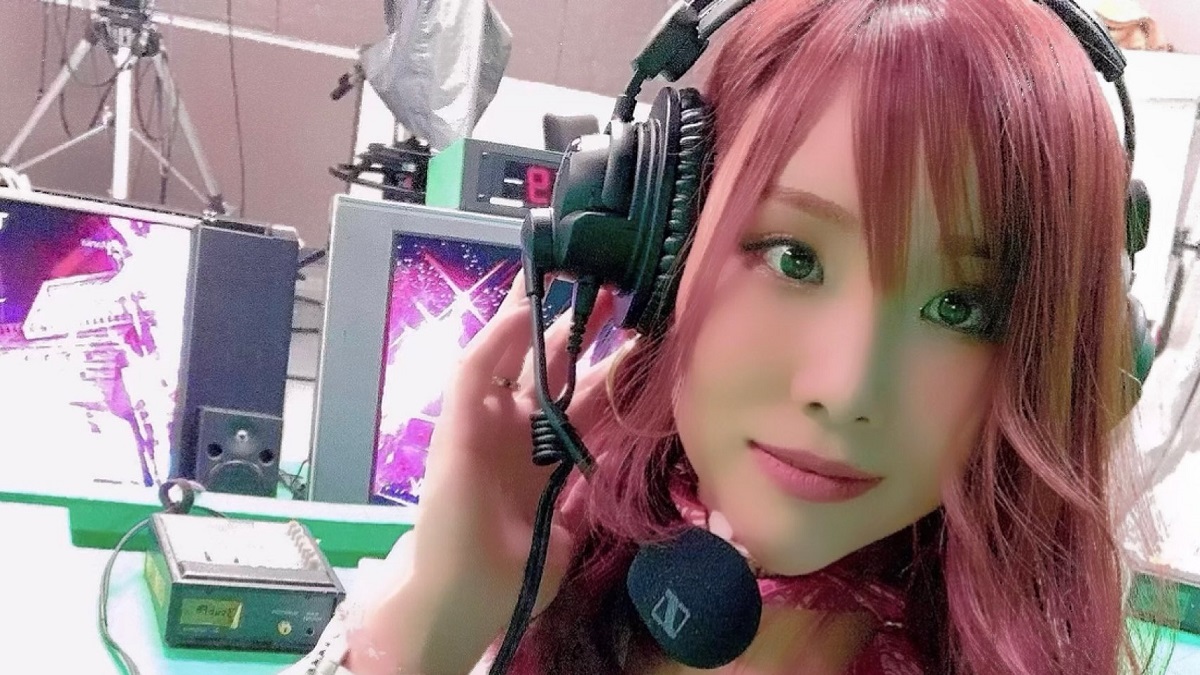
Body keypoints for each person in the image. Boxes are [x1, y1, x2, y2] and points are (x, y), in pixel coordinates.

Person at [286, 0, 1172, 672]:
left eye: (961, 308)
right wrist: (428, 627)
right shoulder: (532, 542)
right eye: (793, 257)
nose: (847, 390)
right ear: (658, 244)